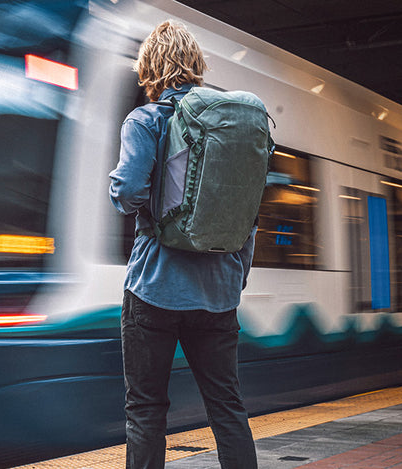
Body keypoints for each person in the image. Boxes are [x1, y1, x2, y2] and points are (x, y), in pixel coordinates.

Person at [108, 20, 259, 469]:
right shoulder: (232, 129)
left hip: (154, 288)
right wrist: (234, 277)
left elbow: (127, 193)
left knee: (146, 410)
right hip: (217, 295)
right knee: (227, 408)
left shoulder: (146, 120)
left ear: (149, 69)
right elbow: (249, 216)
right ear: (195, 66)